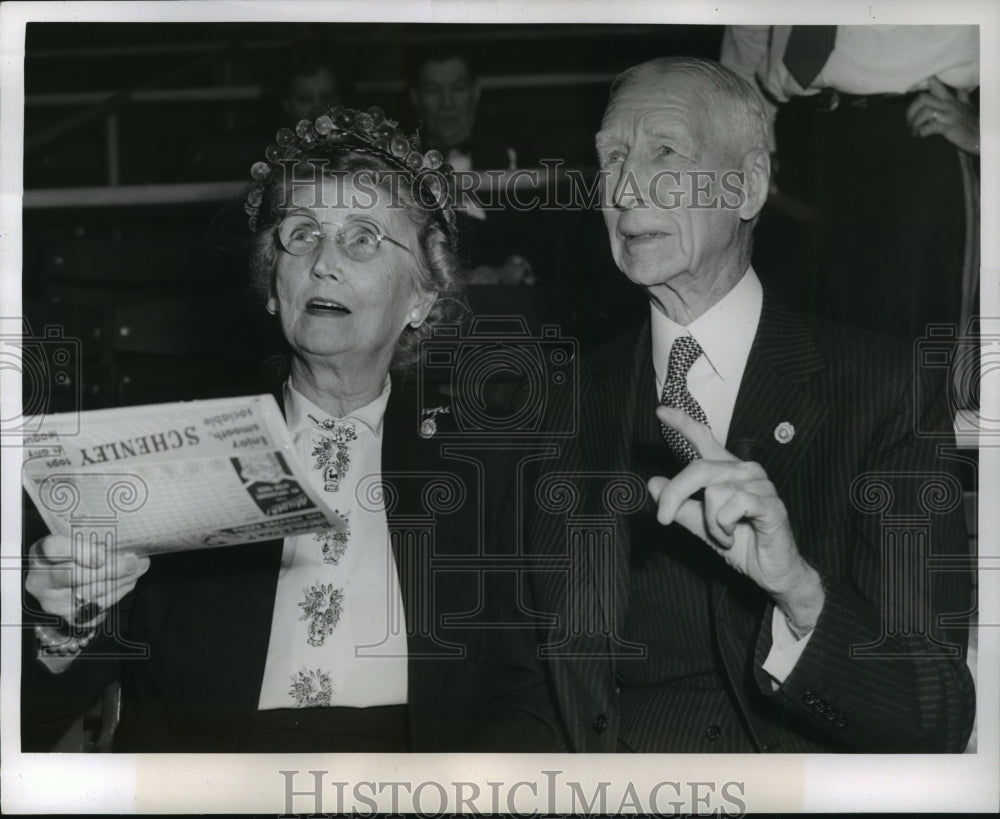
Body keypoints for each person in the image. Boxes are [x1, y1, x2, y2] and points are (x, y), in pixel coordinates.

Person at [20, 104, 545, 752]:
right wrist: (62, 617)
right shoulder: (172, 449)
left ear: (422, 296)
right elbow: (35, 714)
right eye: (301, 234)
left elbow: (521, 693)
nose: (325, 261)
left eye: (363, 238)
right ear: (274, 282)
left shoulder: (486, 462)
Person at [502, 56, 975, 752]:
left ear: (748, 185)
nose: (627, 186)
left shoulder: (885, 390)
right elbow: (523, 691)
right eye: (612, 157)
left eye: (665, 152)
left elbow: (934, 712)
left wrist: (800, 593)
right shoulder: (557, 406)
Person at [720, 25, 979, 345]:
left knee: (908, 360)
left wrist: (988, 133)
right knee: (789, 351)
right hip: (792, 134)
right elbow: (750, 34)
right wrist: (745, 136)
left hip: (913, 133)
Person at [408, 47, 534, 285]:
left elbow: (540, 243)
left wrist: (507, 273)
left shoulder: (516, 156)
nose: (447, 103)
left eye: (458, 88)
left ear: (475, 92)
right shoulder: (398, 165)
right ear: (415, 97)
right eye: (433, 90)